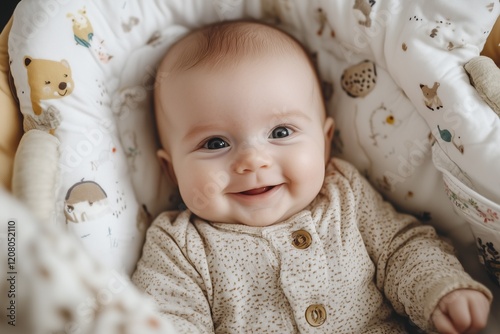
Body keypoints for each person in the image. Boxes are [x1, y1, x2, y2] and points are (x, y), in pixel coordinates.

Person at [132, 20, 492, 333]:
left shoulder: (344, 194)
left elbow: (400, 249)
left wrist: (439, 288)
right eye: (215, 142)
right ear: (171, 170)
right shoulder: (179, 246)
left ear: (325, 142)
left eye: (281, 132)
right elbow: (165, 317)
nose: (253, 161)